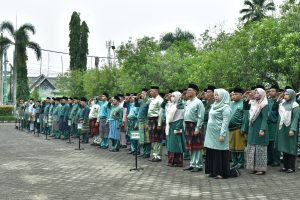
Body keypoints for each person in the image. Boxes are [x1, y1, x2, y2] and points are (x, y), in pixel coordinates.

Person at [204, 88, 231, 179]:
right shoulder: (213, 105)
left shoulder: (226, 107)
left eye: (217, 95)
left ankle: (221, 173)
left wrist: (222, 134)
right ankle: (213, 171)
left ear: (223, 96)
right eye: (215, 95)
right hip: (211, 133)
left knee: (219, 152)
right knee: (212, 151)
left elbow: (225, 122)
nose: (215, 96)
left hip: (219, 133)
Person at [245, 88, 269, 175]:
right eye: (255, 93)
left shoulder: (264, 104)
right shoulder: (253, 103)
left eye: (258, 93)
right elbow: (247, 112)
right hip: (252, 128)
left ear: (262, 94)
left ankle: (261, 169)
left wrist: (262, 129)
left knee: (260, 148)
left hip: (260, 129)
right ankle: (253, 167)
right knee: (252, 148)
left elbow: (265, 118)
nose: (256, 94)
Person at [183, 83, 205, 172]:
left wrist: (198, 128)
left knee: (197, 146)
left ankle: (198, 165)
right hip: (188, 126)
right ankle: (192, 164)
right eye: (187, 90)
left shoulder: (198, 102)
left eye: (190, 90)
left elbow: (201, 116)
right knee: (190, 146)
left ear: (195, 91)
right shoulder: (187, 102)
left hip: (195, 125)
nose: (187, 92)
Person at [277, 89, 300, 173]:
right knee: (284, 147)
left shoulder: (295, 105)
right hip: (282, 129)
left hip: (290, 129)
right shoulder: (282, 104)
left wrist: (293, 129)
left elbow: (295, 118)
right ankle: (285, 166)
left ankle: (291, 167)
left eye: (287, 94)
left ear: (292, 95)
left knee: (291, 147)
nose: (285, 96)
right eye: (285, 94)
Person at [162, 91, 185, 167]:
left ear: (178, 97)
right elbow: (162, 106)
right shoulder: (170, 104)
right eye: (171, 96)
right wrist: (166, 99)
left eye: (174, 96)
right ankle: (171, 161)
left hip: (176, 126)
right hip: (170, 126)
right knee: (170, 144)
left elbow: (181, 117)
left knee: (176, 144)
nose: (172, 97)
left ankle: (178, 162)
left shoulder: (180, 105)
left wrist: (178, 127)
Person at [229, 87, 245, 169]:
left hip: (239, 128)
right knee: (232, 146)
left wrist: (243, 128)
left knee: (239, 146)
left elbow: (245, 118)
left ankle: (240, 162)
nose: (234, 96)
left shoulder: (243, 104)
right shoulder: (231, 104)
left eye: (236, 94)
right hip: (230, 129)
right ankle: (234, 161)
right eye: (233, 94)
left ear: (241, 95)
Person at [147, 86, 164, 162]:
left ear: (156, 91)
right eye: (150, 91)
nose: (150, 93)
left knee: (157, 138)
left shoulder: (160, 100)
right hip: (151, 120)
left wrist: (159, 124)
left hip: (156, 120)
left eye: (152, 91)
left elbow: (161, 112)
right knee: (153, 138)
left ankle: (158, 156)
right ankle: (154, 154)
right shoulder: (152, 99)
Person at [266, 85, 281, 167]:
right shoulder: (268, 101)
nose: (271, 92)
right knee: (268, 143)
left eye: (273, 91)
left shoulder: (280, 102)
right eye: (270, 91)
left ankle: (276, 160)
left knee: (274, 143)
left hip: (275, 124)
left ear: (277, 92)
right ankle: (269, 159)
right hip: (268, 124)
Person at [135, 88, 151, 158]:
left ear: (147, 94)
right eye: (141, 93)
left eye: (143, 93)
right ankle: (144, 152)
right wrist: (136, 99)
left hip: (145, 121)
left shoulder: (149, 101)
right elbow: (136, 105)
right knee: (142, 138)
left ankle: (147, 153)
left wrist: (148, 122)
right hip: (140, 121)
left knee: (147, 138)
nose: (141, 95)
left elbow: (149, 113)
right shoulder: (141, 101)